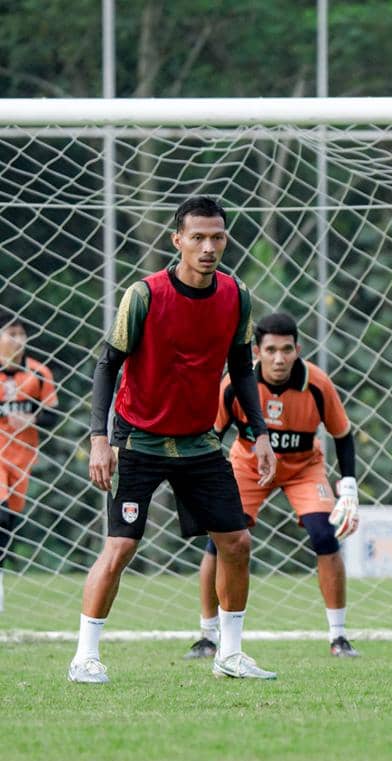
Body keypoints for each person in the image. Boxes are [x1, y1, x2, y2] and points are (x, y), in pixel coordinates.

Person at [72, 195, 279, 684]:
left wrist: (261, 433)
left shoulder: (236, 295)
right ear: (178, 241)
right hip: (139, 439)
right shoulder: (144, 295)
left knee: (237, 542)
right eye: (199, 237)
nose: (209, 247)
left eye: (218, 237)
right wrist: (99, 439)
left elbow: (242, 371)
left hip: (199, 442)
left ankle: (229, 654)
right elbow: (107, 364)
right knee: (121, 548)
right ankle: (85, 656)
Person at [181, 311, 361, 660]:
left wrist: (348, 488)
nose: (279, 358)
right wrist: (202, 483)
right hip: (248, 466)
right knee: (219, 544)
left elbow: (343, 434)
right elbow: (211, 435)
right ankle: (207, 636)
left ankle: (339, 637)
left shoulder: (318, 384)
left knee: (324, 534)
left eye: (287, 349)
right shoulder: (235, 383)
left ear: (298, 349)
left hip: (303, 469)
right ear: (257, 352)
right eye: (271, 350)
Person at [0, 317, 59, 612]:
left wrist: (31, 418)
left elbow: (52, 416)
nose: (17, 339)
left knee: (9, 524)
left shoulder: (39, 372)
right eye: (11, 333)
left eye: (22, 333)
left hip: (22, 459)